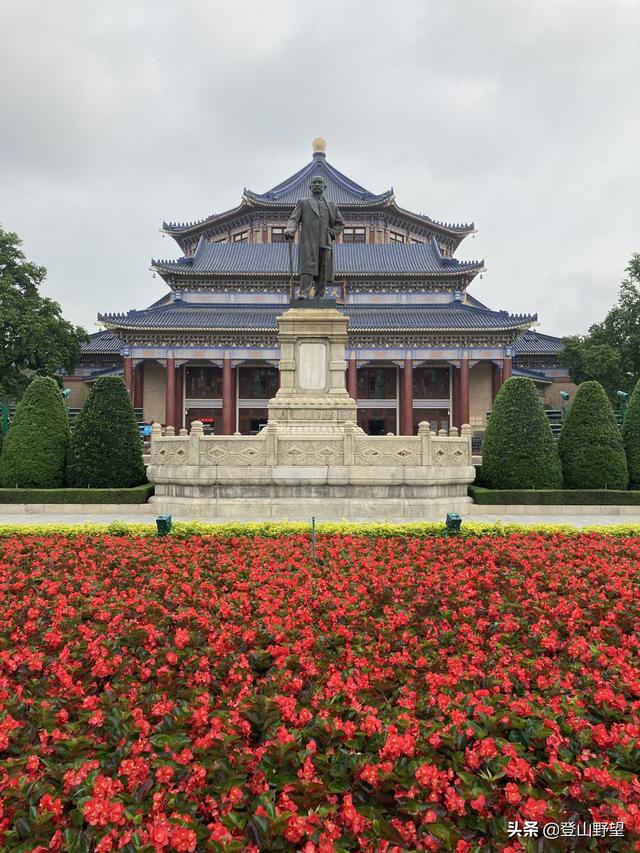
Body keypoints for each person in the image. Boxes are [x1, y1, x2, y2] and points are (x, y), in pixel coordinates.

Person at [284, 175, 344, 299]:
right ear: (310, 186)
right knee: (307, 268)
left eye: (320, 182)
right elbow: (293, 219)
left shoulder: (332, 206)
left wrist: (333, 233)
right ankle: (304, 293)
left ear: (325, 186)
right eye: (314, 182)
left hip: (325, 241)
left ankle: (319, 296)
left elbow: (340, 224)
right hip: (308, 241)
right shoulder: (303, 202)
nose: (317, 184)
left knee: (323, 271)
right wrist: (290, 229)